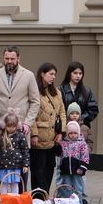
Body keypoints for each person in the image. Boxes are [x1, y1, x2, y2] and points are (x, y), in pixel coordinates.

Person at [30, 63, 63, 194]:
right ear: (42, 74)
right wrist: (34, 134)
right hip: (39, 138)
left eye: (54, 74)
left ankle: (45, 195)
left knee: (50, 168)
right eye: (50, 74)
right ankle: (37, 197)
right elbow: (31, 114)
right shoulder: (34, 91)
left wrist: (61, 132)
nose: (53, 77)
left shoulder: (56, 93)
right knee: (38, 169)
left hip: (53, 138)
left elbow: (62, 113)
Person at [0, 46, 39, 132]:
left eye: (12, 59)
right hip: (0, 127)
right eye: (7, 58)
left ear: (18, 58)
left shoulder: (29, 75)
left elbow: (35, 102)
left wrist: (28, 123)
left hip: (21, 127)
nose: (9, 61)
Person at [0, 113, 29, 196]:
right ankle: (4, 202)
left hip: (16, 166)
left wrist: (25, 165)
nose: (11, 128)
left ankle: (14, 202)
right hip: (3, 166)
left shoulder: (21, 136)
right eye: (9, 126)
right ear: (5, 125)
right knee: (3, 184)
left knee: (15, 184)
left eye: (13, 126)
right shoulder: (0, 137)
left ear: (16, 126)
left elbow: (25, 151)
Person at [60, 62, 99, 139]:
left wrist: (80, 119)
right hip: (64, 128)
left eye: (80, 73)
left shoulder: (87, 91)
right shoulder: (61, 90)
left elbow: (93, 109)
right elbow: (57, 110)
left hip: (82, 128)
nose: (78, 76)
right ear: (69, 73)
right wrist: (68, 120)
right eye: (75, 73)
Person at [57, 120, 90, 204]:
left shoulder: (82, 144)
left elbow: (85, 157)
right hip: (66, 170)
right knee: (67, 187)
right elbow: (59, 154)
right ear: (67, 133)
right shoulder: (64, 143)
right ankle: (69, 203)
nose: (73, 135)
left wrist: (82, 167)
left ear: (78, 133)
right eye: (70, 133)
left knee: (78, 187)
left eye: (75, 133)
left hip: (77, 170)